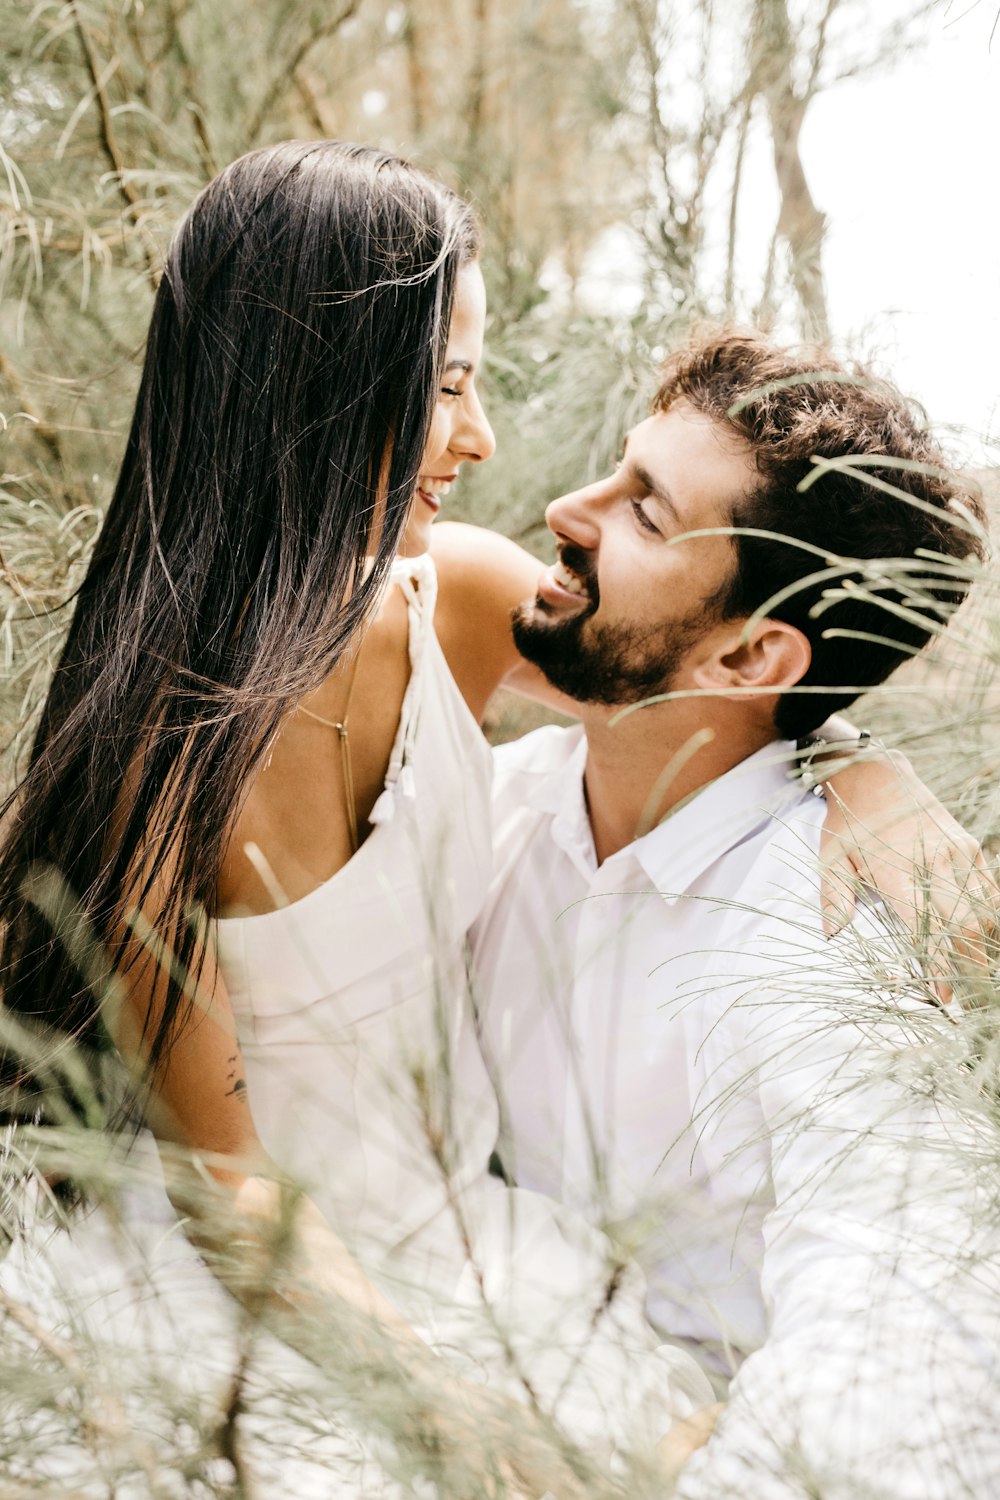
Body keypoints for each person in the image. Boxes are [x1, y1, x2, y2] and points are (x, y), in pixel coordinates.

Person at [0, 142, 986, 1485]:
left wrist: (867, 773)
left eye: (475, 383)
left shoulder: (454, 595)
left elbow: (685, 668)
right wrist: (456, 1422)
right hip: (274, 1272)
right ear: (325, 393)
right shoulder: (156, 764)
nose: (488, 441)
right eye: (451, 384)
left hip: (471, 1245)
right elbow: (226, 1183)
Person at [470, 329, 1000, 1498]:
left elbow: (894, 1376)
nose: (567, 506)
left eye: (645, 514)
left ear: (751, 653)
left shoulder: (844, 927)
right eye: (616, 470)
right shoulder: (490, 818)